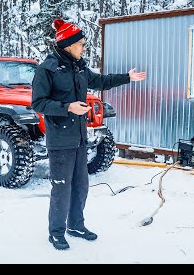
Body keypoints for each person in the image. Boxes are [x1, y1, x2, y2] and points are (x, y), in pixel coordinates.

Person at [31, 18, 147, 250]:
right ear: (69, 44)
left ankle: (75, 225)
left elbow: (100, 81)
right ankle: (56, 232)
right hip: (60, 139)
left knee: (81, 185)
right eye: (81, 43)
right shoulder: (47, 69)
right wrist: (67, 108)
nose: (84, 47)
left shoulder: (79, 66)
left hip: (80, 137)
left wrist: (127, 77)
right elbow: (38, 103)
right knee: (62, 187)